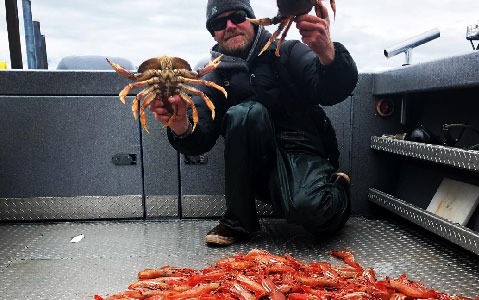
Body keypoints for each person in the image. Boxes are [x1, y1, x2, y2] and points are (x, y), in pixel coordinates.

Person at [149, 0, 358, 246]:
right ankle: (238, 222)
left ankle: (337, 189)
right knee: (245, 113)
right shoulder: (212, 78)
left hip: (304, 153)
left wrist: (326, 52)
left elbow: (332, 91)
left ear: (252, 19)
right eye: (218, 22)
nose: (229, 26)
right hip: (257, 168)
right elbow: (199, 139)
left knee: (311, 211)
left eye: (237, 16)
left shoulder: (288, 51)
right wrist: (180, 121)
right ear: (213, 33)